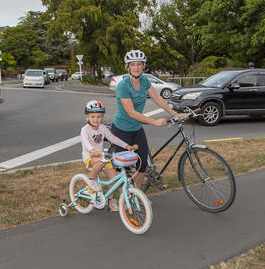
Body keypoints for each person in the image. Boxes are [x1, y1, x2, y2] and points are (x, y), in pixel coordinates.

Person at [111, 50, 188, 189]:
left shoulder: (144, 80)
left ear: (143, 66)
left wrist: (173, 113)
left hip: (136, 129)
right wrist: (155, 122)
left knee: (142, 165)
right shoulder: (123, 86)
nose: (136, 67)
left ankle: (137, 195)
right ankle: (117, 198)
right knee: (124, 168)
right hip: (121, 130)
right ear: (127, 67)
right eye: (133, 64)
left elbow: (157, 98)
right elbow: (131, 112)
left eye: (139, 64)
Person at [80, 100, 138, 211]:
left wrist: (127, 146)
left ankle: (110, 200)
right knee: (100, 162)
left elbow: (113, 138)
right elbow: (85, 142)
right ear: (87, 117)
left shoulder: (102, 128)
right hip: (90, 157)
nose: (96, 119)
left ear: (102, 117)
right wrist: (92, 150)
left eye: (98, 116)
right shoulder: (85, 130)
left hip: (102, 157)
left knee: (114, 178)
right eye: (92, 116)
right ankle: (91, 180)